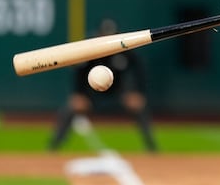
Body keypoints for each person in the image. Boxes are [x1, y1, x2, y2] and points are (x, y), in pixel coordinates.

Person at [48, 18, 158, 153]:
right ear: (98, 35)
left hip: (117, 95)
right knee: (70, 109)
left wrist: (137, 92)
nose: (108, 38)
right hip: (91, 96)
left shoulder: (123, 49)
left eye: (111, 35)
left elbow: (138, 68)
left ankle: (152, 150)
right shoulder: (89, 50)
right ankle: (53, 149)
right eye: (105, 35)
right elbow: (78, 72)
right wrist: (78, 94)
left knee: (139, 107)